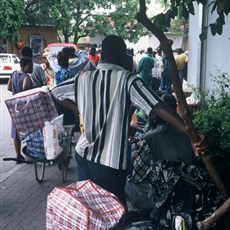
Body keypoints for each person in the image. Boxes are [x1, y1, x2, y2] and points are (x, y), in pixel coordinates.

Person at [51, 35, 208, 208]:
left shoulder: (83, 78)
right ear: (121, 54)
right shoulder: (127, 79)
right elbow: (158, 106)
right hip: (109, 162)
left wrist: (80, 108)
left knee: (88, 210)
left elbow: (56, 92)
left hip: (83, 156)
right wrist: (190, 133)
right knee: (116, 213)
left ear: (103, 55)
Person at [7, 57, 33, 163]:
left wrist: (15, 90)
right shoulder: (26, 76)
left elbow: (9, 88)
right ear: (23, 66)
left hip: (14, 106)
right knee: (30, 129)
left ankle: (18, 155)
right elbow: (25, 87)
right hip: (24, 106)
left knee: (16, 130)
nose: (31, 68)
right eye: (29, 66)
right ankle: (31, 153)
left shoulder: (13, 74)